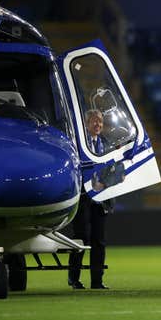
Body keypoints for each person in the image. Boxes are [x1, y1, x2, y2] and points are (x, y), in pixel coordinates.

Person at [68, 109, 110, 290]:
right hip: (84, 199)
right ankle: (74, 278)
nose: (98, 125)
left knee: (98, 241)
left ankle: (97, 281)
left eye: (100, 122)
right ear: (86, 124)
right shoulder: (79, 144)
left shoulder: (106, 144)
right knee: (81, 238)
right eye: (94, 121)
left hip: (101, 201)